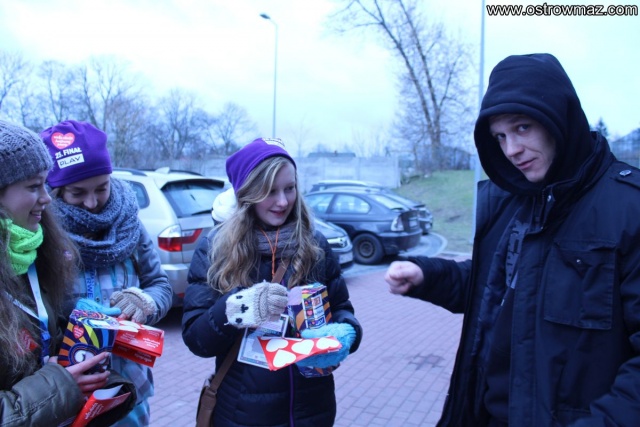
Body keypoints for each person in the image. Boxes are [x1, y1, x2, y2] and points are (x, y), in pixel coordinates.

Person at [385, 53, 640, 426]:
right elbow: (496, 288)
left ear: (560, 118)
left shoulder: (628, 208)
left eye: (522, 128)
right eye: (500, 136)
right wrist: (427, 276)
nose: (511, 149)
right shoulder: (511, 202)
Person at [182, 137, 363, 426]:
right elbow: (196, 339)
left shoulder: (315, 244)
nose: (283, 201)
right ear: (247, 193)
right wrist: (237, 309)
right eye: (270, 191)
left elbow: (341, 308)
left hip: (312, 410)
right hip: (243, 414)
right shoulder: (215, 248)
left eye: (289, 188)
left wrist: (345, 335)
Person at [40, 120, 174, 426]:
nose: (92, 203)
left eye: (102, 188)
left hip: (128, 390)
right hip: (69, 395)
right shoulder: (41, 237)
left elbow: (160, 285)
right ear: (54, 190)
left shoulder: (130, 226)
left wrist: (146, 303)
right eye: (77, 192)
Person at [0, 119, 127, 426]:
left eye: (46, 184)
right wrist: (59, 384)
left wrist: (77, 331)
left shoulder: (29, 251)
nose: (47, 197)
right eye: (34, 186)